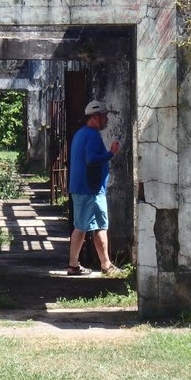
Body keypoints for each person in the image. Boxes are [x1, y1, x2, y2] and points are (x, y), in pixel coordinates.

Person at [66, 100, 120, 276]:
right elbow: (91, 159)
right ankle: (106, 266)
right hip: (91, 189)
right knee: (99, 227)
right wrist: (111, 153)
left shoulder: (80, 134)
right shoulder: (92, 135)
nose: (106, 120)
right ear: (95, 118)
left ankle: (74, 265)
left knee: (81, 227)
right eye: (104, 116)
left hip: (81, 187)